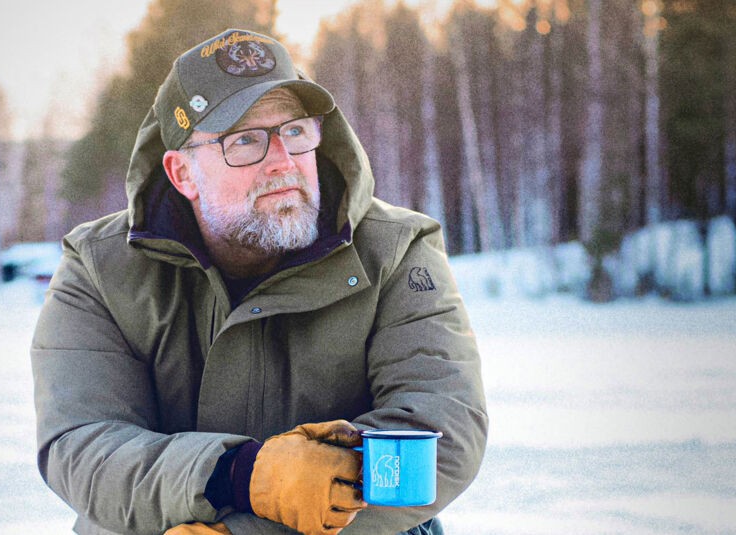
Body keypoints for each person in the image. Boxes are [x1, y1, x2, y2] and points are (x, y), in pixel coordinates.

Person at [31, 28, 487, 535]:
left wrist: (241, 531)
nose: (282, 161)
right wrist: (236, 476)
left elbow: (438, 437)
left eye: (294, 131)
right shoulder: (99, 266)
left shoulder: (398, 251)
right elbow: (81, 446)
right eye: (244, 140)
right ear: (182, 174)